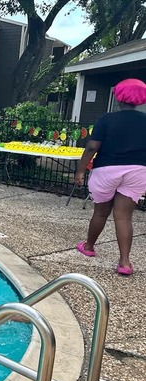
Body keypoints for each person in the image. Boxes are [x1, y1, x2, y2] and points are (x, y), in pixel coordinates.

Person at [75, 78, 146, 276]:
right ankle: (124, 262)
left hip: (107, 169)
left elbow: (92, 147)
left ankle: (88, 247)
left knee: (100, 212)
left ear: (118, 96)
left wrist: (80, 170)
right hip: (138, 170)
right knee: (124, 217)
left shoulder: (106, 119)